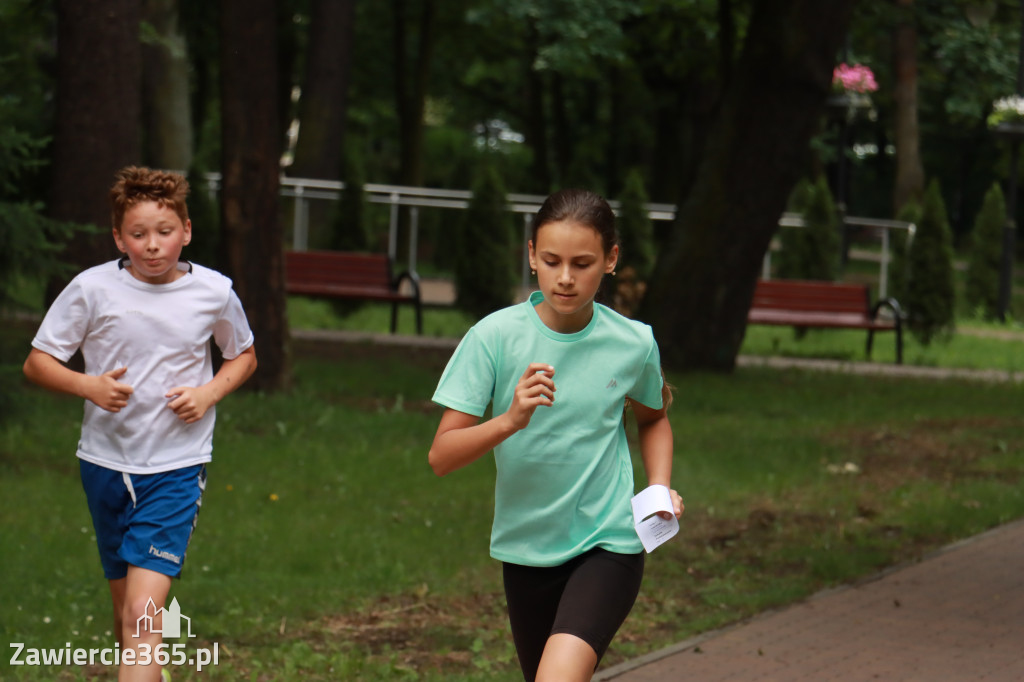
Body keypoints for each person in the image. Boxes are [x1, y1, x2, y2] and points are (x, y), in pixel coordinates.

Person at [428, 188, 683, 682]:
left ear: (611, 260)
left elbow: (653, 418)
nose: (565, 278)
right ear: (531, 257)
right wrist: (509, 419)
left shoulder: (633, 341)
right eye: (551, 260)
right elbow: (441, 456)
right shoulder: (493, 337)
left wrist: (658, 486)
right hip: (526, 550)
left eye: (582, 263)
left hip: (607, 542)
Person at [23, 166, 257, 682]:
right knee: (124, 621)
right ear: (118, 238)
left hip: (174, 469)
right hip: (104, 465)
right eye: (138, 234)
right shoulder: (91, 289)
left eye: (165, 232)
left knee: (141, 621)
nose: (153, 246)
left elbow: (243, 355)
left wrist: (209, 391)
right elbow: (37, 362)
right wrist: (90, 386)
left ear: (187, 231)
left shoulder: (214, 293)